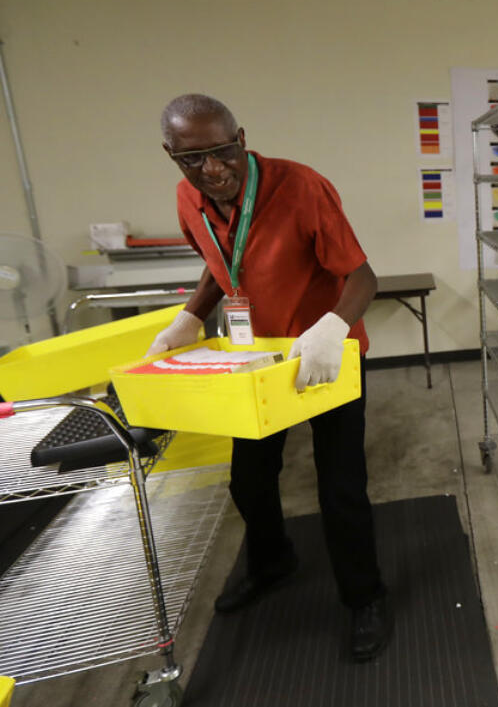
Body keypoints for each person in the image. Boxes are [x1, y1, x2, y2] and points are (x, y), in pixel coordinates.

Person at [146, 93, 391, 662]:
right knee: (249, 482)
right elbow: (218, 263)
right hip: (254, 360)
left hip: (326, 357)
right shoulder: (190, 198)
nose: (213, 169)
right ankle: (273, 562)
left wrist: (333, 328)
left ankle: (364, 598)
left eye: (224, 151)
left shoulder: (302, 187)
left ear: (241, 137)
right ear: (171, 156)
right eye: (193, 158)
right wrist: (189, 317)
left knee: (341, 489)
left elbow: (363, 276)